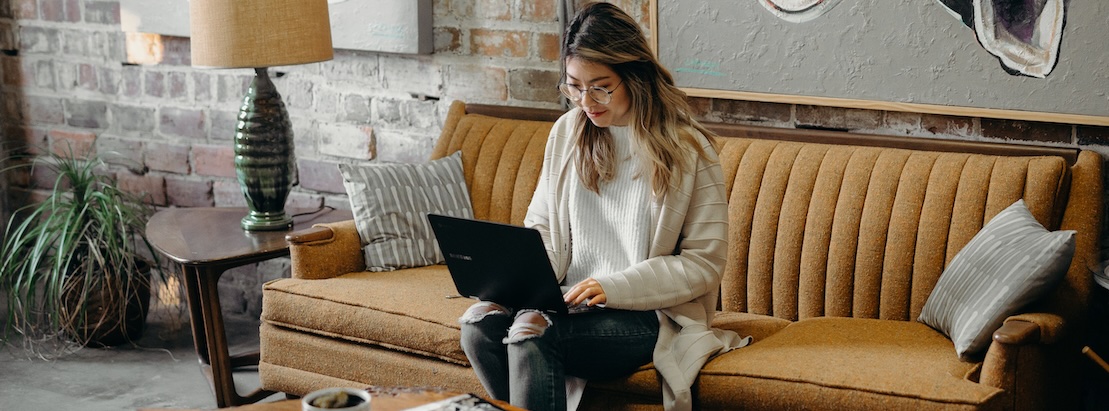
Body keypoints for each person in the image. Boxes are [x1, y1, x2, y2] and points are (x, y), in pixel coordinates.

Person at [457, 3, 751, 411]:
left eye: (600, 86)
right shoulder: (567, 133)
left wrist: (612, 287)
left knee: (531, 332)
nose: (585, 101)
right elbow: (541, 226)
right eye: (573, 86)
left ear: (635, 76)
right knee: (478, 326)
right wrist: (516, 279)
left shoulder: (688, 149)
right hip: (564, 300)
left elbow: (704, 263)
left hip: (648, 314)